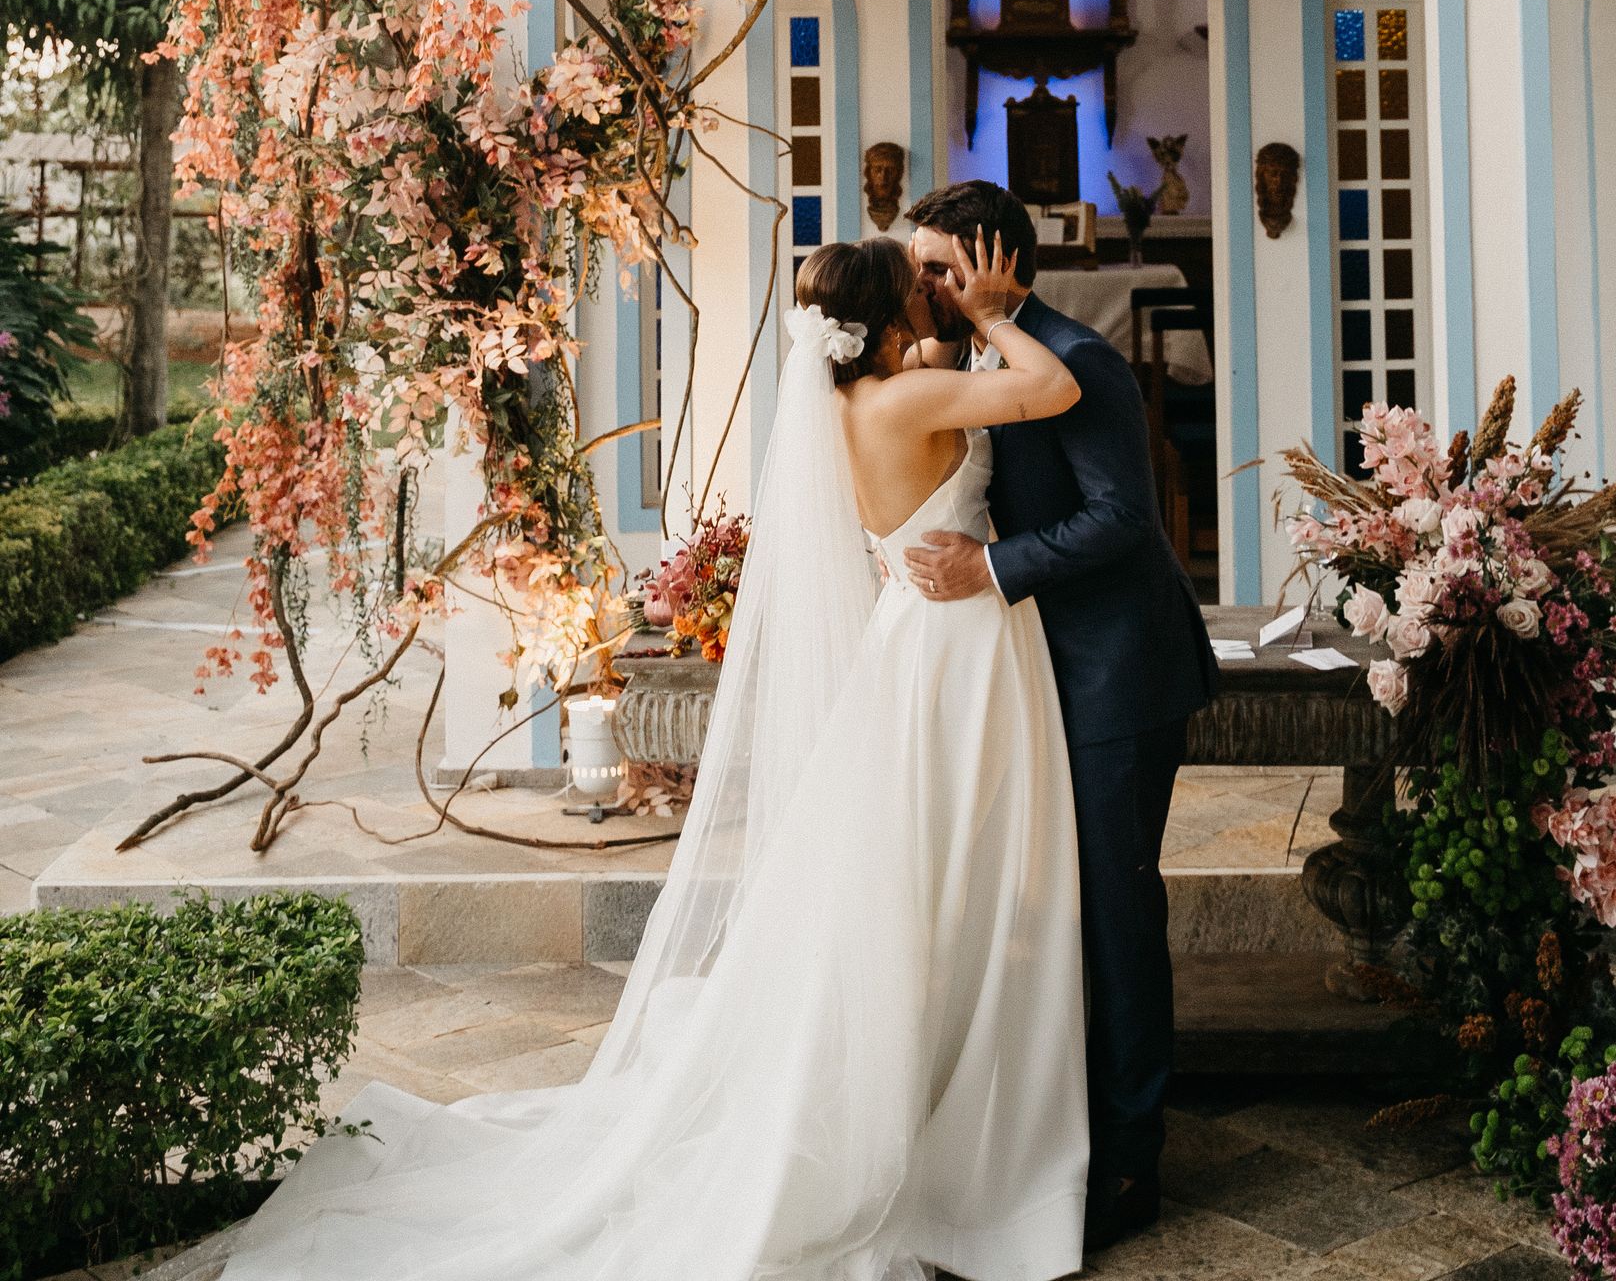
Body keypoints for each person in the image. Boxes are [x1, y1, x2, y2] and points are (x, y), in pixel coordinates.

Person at [220, 232, 1090, 1281]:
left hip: (910, 639)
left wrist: (947, 335)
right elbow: (1053, 388)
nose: (933, 293)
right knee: (954, 866)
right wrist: (994, 314)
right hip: (954, 643)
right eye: (919, 284)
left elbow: (939, 387)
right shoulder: (910, 400)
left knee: (911, 870)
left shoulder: (852, 403)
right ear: (888, 315)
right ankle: (955, 1098)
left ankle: (925, 1070)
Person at [904, 179, 1217, 1257]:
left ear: (995, 262)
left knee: (1117, 914)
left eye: (939, 267)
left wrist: (990, 568)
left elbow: (1124, 518)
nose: (922, 284)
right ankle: (1065, 1135)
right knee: (1061, 910)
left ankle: (1132, 1162)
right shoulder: (967, 355)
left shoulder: (1079, 358)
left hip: (1117, 673)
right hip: (1048, 672)